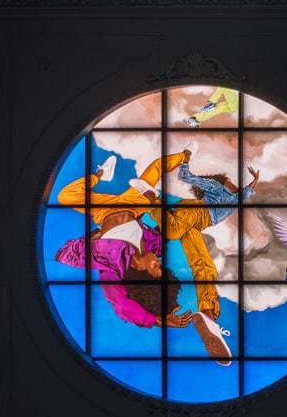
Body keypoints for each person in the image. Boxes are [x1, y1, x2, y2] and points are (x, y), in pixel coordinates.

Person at [52, 151, 231, 361]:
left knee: (64, 196)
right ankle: (208, 313)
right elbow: (170, 231)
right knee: (182, 228)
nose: (158, 261)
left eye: (155, 267)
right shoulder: (152, 244)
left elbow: (121, 304)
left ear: (140, 271)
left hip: (104, 211)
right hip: (136, 203)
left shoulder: (110, 267)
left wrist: (156, 320)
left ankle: (101, 173)